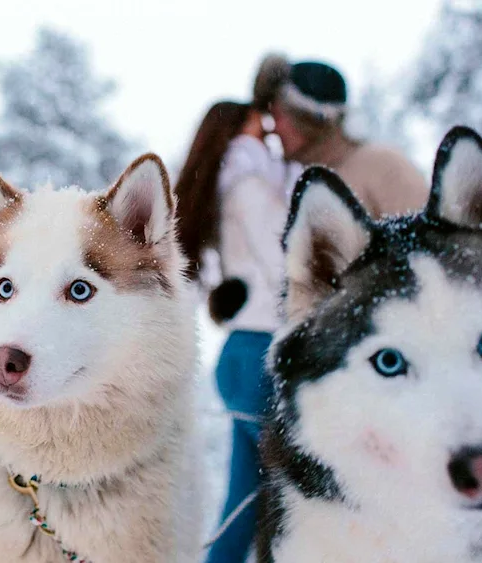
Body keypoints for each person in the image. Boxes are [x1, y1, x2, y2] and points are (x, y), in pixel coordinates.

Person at [175, 100, 297, 563]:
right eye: (255, 127)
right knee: (284, 502)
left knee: (248, 503)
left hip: (244, 355)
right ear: (234, 136)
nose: (266, 136)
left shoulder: (231, 185)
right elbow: (286, 265)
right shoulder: (248, 185)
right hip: (264, 354)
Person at [252, 55, 429, 217]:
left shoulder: (381, 165)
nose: (272, 129)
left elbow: (431, 245)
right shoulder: (288, 182)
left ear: (305, 119)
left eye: (277, 116)